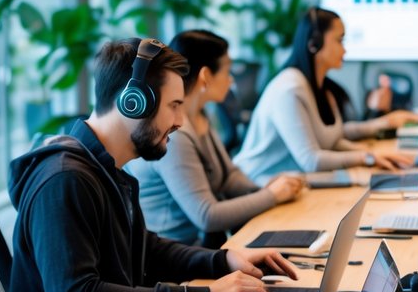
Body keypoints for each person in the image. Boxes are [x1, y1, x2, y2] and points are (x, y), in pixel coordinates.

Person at [8, 38, 297, 292]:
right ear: (133, 102)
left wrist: (223, 260)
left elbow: (145, 247)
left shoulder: (106, 169)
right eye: (174, 105)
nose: (180, 121)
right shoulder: (65, 180)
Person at [126, 29, 304, 246]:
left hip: (201, 249)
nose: (231, 81)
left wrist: (267, 187)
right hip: (177, 258)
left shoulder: (200, 115)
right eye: (227, 71)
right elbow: (207, 216)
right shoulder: (176, 135)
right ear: (206, 76)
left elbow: (228, 177)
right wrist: (271, 196)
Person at [234, 8, 418, 180]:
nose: (345, 49)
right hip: (257, 185)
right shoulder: (289, 90)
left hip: (291, 184)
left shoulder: (320, 86)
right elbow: (311, 160)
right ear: (314, 43)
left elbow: (334, 137)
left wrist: (381, 130)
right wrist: (366, 157)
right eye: (340, 40)